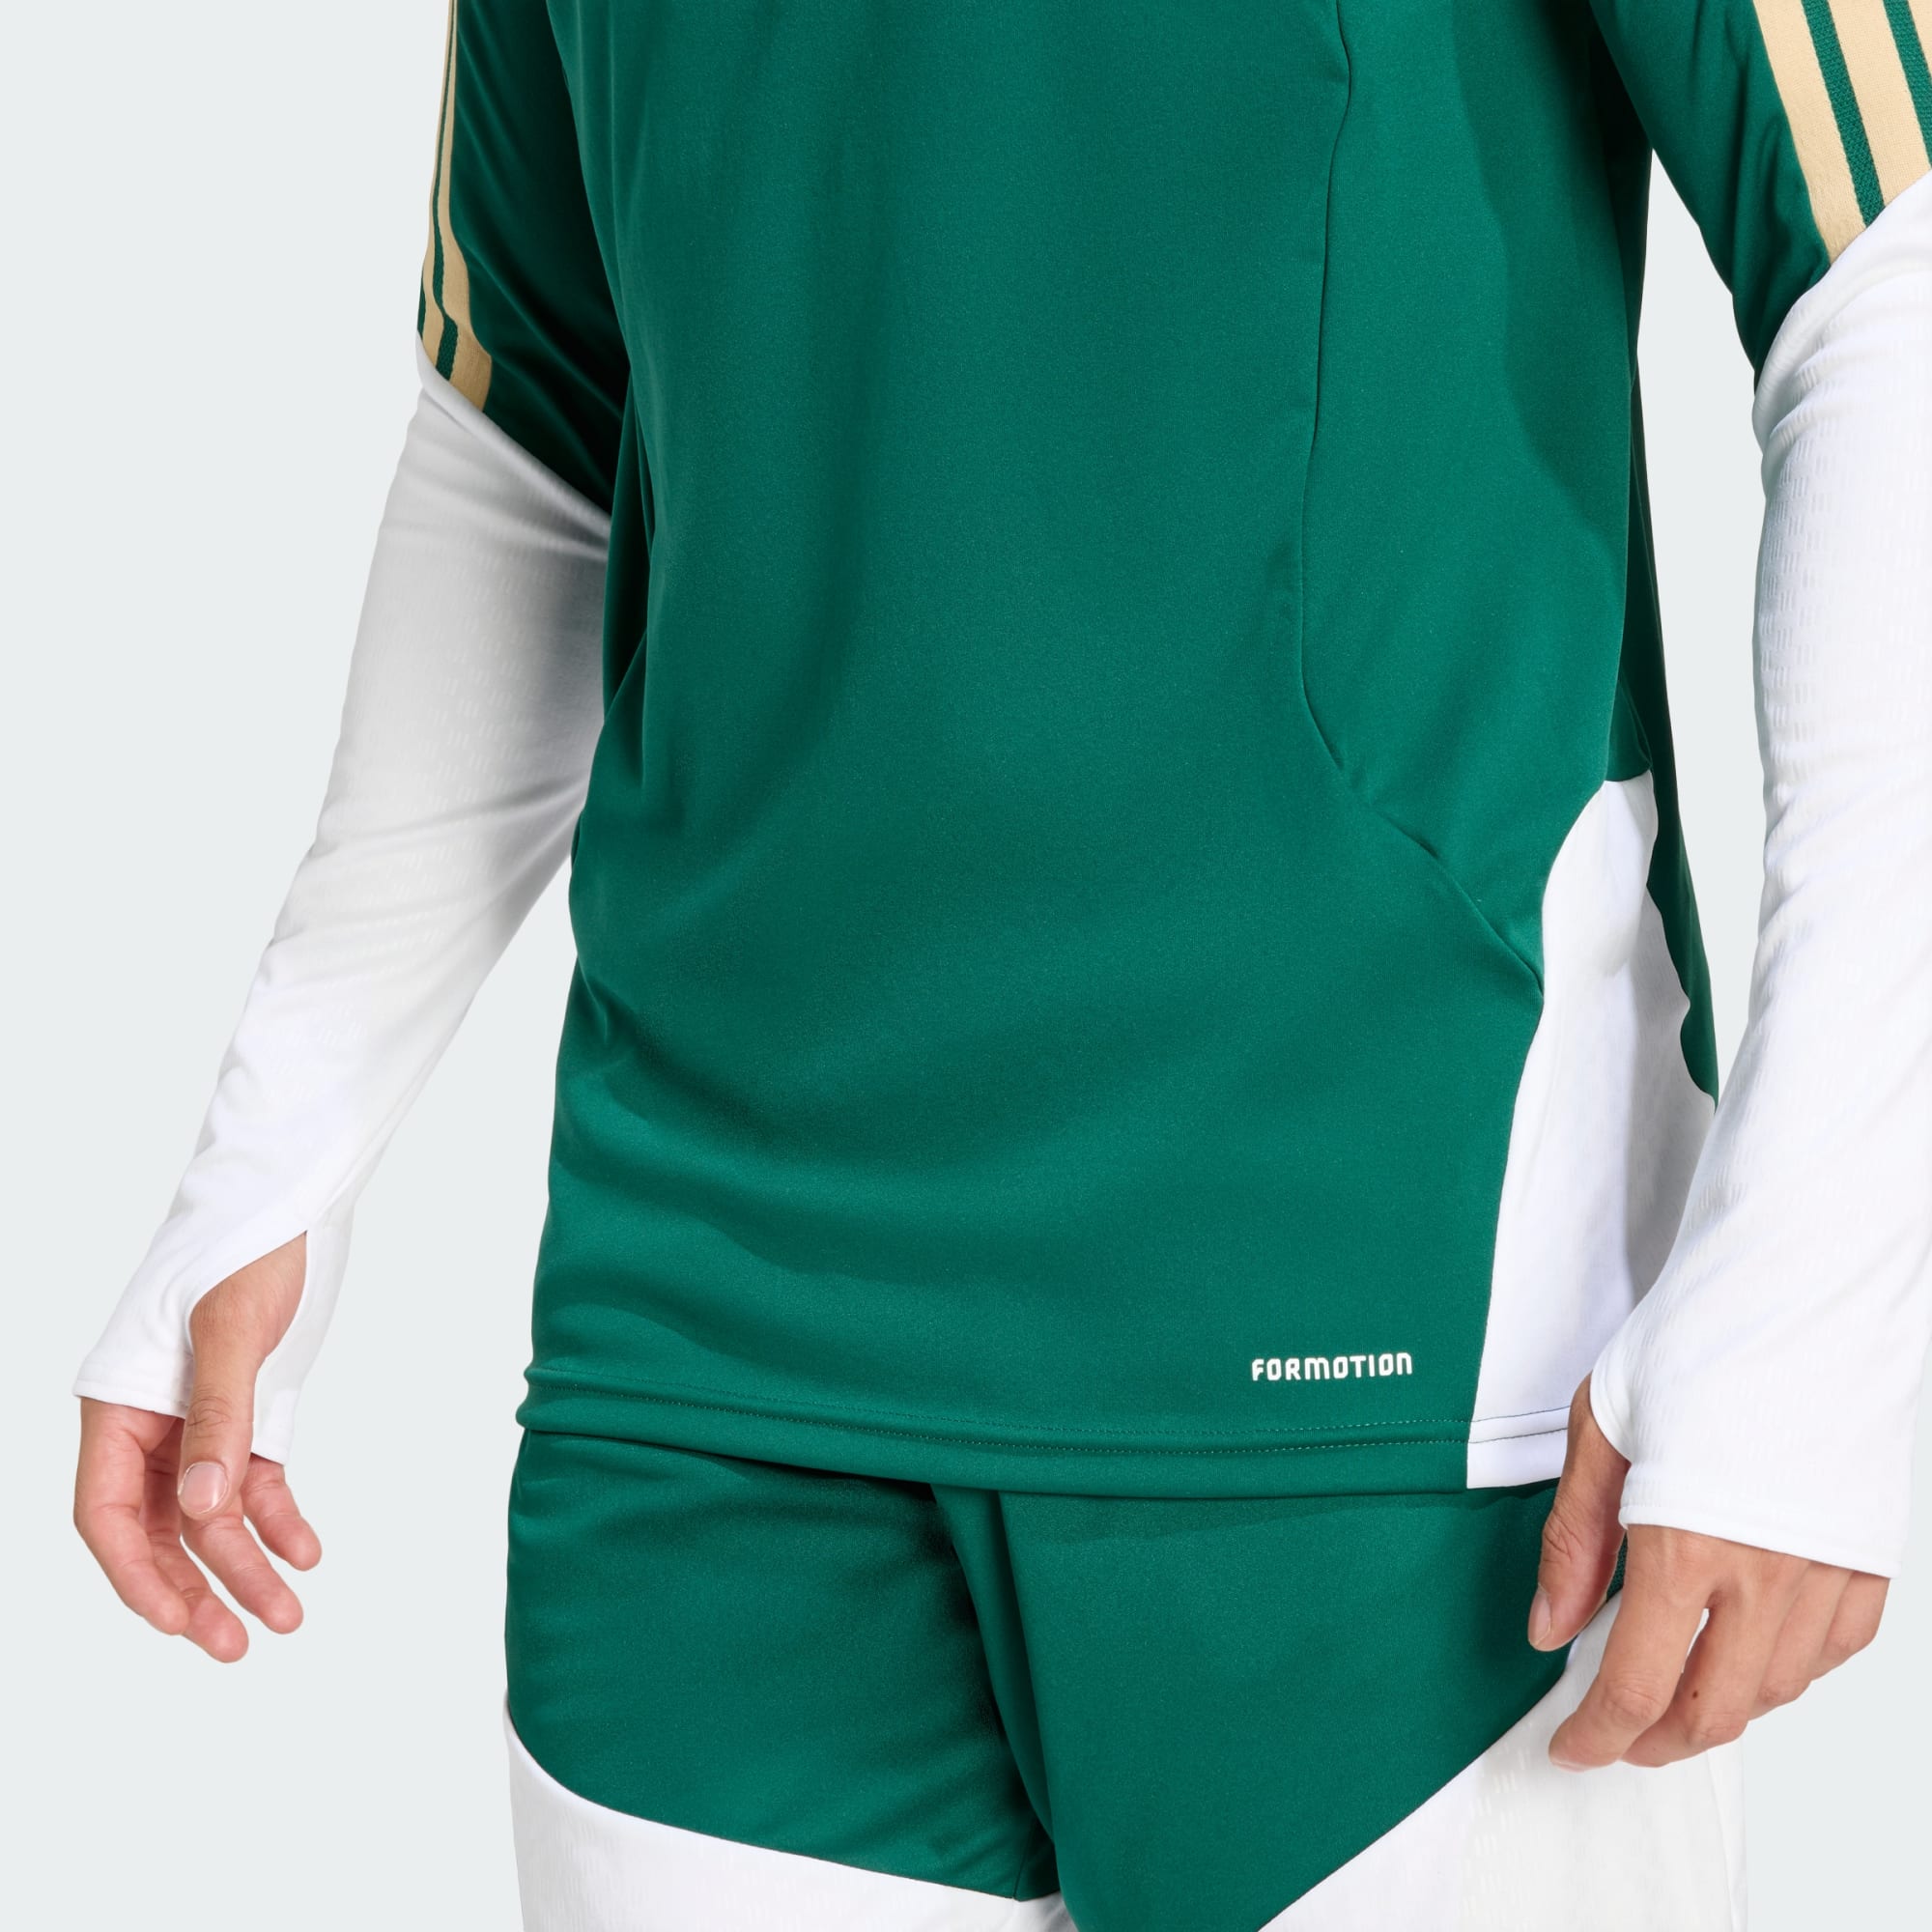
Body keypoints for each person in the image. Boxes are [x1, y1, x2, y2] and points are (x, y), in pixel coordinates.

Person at [71, 3, 1931, 1927]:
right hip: (712, 1353)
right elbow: (531, 419)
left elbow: (1882, 271)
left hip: (1393, 1315)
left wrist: (1817, 1280)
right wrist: (281, 1138)